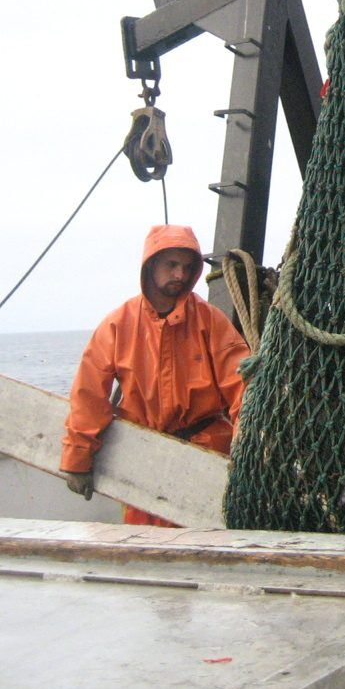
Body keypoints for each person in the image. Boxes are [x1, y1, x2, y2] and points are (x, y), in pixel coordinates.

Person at [59, 224, 249, 526]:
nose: (180, 275)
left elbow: (244, 388)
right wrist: (78, 459)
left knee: (208, 544)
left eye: (187, 268)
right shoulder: (117, 325)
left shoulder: (210, 321)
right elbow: (89, 395)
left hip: (205, 456)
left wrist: (245, 454)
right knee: (143, 545)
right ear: (150, 265)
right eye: (171, 265)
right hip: (141, 457)